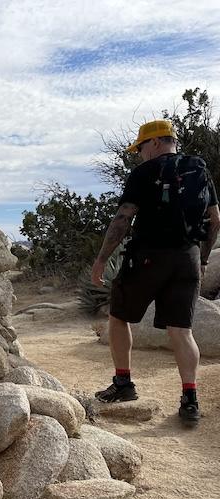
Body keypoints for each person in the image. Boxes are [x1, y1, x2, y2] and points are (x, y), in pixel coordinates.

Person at [91, 119, 220, 423]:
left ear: (156, 142)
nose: (139, 154)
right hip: (187, 257)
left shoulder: (144, 172)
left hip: (148, 256)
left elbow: (123, 218)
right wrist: (202, 258)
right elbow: (215, 218)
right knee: (181, 330)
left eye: (141, 148)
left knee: (119, 316)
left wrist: (100, 259)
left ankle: (123, 383)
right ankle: (190, 399)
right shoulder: (199, 168)